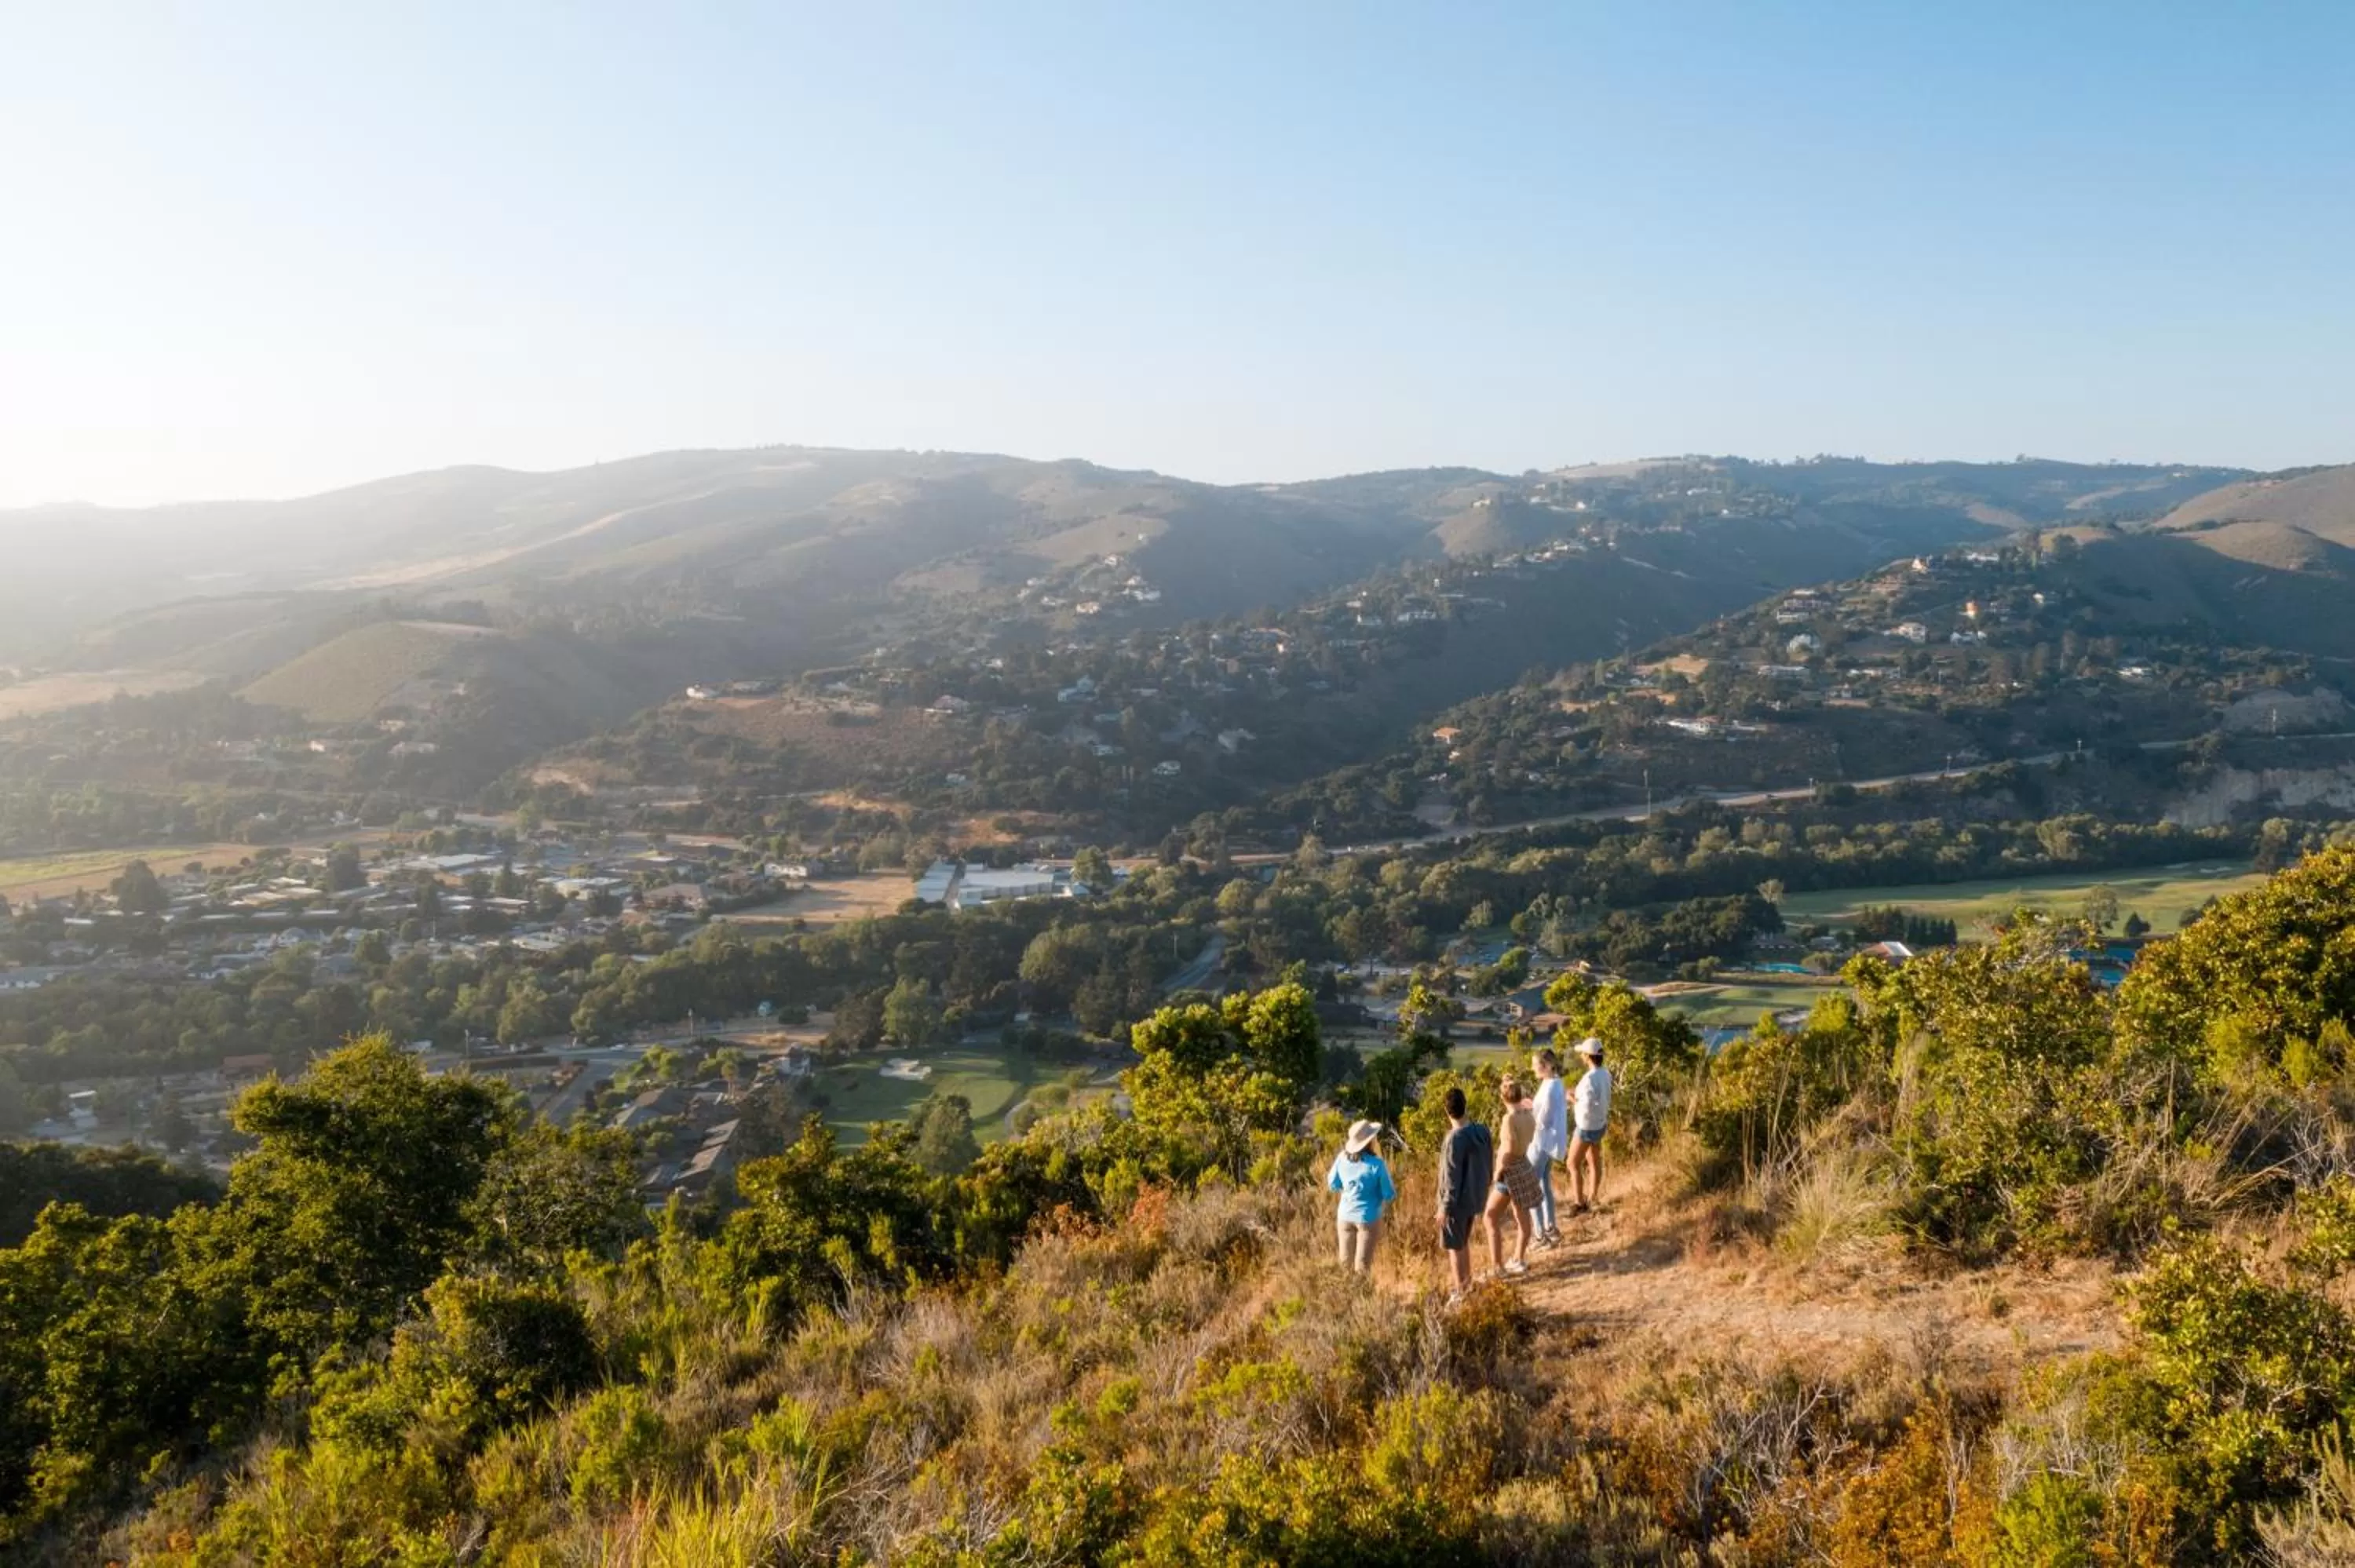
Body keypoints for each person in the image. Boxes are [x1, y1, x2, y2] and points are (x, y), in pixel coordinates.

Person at [1434, 1085, 1493, 1302]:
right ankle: (1467, 1286)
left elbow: (1451, 1179)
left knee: (1454, 1247)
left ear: (1446, 1111)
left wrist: (1444, 1208)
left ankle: (1461, 1292)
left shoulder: (1454, 1140)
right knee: (1463, 1242)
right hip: (1475, 1197)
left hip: (1457, 1203)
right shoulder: (1482, 1131)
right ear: (1465, 1106)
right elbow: (1490, 1162)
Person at [1484, 1076, 1543, 1277]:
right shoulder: (1528, 1115)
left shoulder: (1509, 1119)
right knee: (1523, 1219)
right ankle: (1518, 1259)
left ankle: (1497, 1267)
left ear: (1503, 1098)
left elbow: (1508, 1149)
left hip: (1510, 1171)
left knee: (1490, 1217)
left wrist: (1498, 1171)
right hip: (1524, 1165)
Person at [1327, 1118, 1397, 1272]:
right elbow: (1389, 1193)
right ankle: (1361, 1295)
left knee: (1345, 1265)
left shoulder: (1341, 1158)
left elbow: (1332, 1184)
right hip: (1368, 1217)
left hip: (1344, 1216)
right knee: (1362, 1268)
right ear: (1370, 1141)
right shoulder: (1376, 1164)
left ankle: (1344, 1295)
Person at [1528, 1048, 1569, 1246]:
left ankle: (1539, 1234)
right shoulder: (1554, 1083)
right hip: (1548, 1142)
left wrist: (1522, 1113)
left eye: (1536, 1065)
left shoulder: (1551, 1087)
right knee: (1544, 1185)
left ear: (1546, 1066)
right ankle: (1550, 1228)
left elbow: (1542, 1119)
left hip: (1542, 1142)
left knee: (1531, 1188)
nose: (1532, 1068)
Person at [1570, 1035, 1612, 1213]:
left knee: (1572, 1163)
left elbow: (1585, 1105)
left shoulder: (1589, 1079)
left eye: (1583, 1054)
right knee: (1594, 1161)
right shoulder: (1605, 1073)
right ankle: (1593, 1197)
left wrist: (1572, 1099)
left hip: (1587, 1126)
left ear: (1588, 1056)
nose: (1582, 1057)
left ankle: (1579, 1203)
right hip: (1600, 1123)